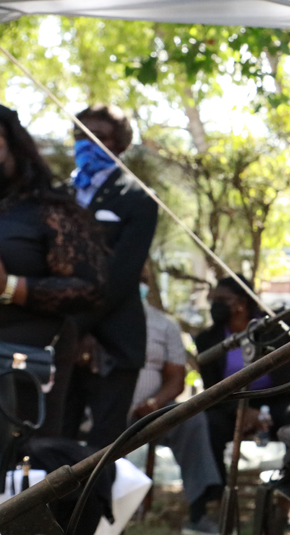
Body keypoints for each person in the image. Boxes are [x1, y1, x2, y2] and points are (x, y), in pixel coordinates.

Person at [0, 103, 107, 441]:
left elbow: (89, 288)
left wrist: (9, 287)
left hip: (22, 371)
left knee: (17, 477)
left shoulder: (49, 210)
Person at [62, 104, 158, 450]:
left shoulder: (139, 198)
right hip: (61, 344)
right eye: (79, 135)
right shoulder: (58, 195)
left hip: (115, 343)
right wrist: (66, 334)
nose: (85, 143)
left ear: (120, 144)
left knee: (101, 454)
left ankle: (98, 505)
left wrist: (78, 327)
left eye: (97, 136)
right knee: (52, 444)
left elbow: (121, 275)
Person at [195, 274, 290, 481]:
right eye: (213, 300)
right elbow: (211, 391)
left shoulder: (275, 324)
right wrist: (239, 412)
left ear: (241, 303)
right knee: (207, 426)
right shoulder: (208, 340)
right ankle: (214, 493)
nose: (214, 306)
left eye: (221, 300)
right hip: (231, 405)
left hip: (280, 399)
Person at [131, 282, 223, 535]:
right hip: (102, 410)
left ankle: (198, 511)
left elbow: (176, 379)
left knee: (192, 420)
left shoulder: (165, 325)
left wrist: (155, 401)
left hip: (150, 411)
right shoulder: (100, 318)